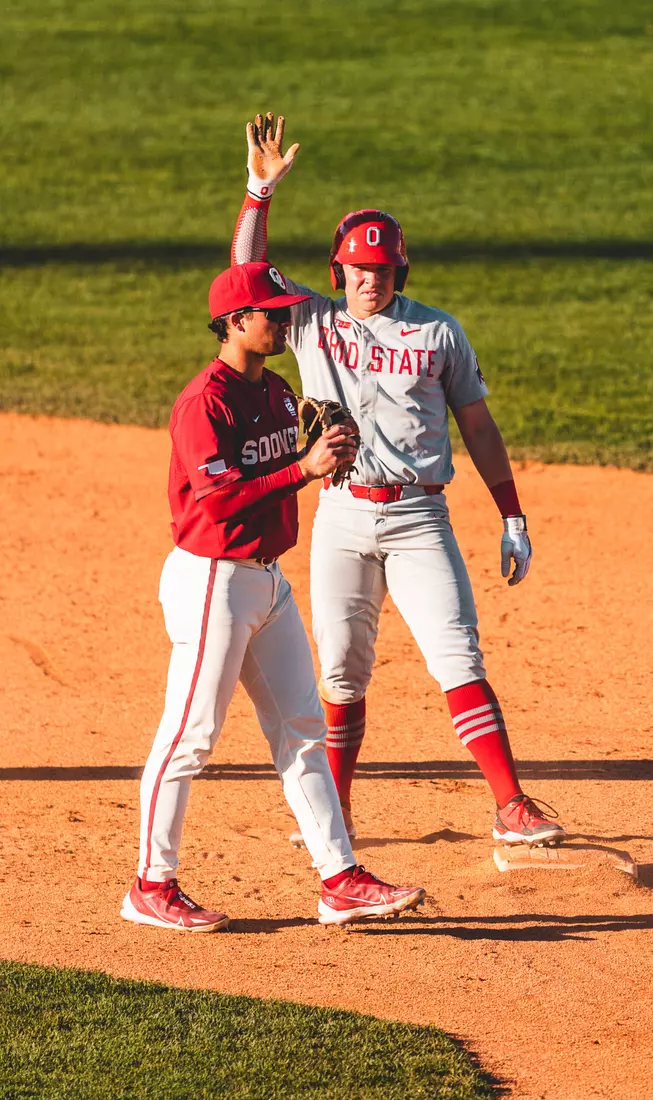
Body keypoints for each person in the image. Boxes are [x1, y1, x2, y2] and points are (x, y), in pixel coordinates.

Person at [230, 114, 566, 851]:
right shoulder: (312, 324)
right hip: (341, 518)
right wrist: (259, 191)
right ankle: (337, 816)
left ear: (398, 272)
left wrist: (511, 515)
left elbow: (477, 427)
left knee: (457, 656)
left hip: (419, 517)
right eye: (356, 270)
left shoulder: (439, 332)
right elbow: (246, 275)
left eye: (380, 272)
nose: (368, 282)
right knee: (343, 674)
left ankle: (509, 804)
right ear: (336, 272)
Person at [120, 261, 426, 932]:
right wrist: (301, 468)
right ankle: (150, 884)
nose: (285, 319)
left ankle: (339, 879)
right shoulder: (205, 401)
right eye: (271, 312)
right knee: (190, 737)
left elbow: (278, 471)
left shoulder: (280, 392)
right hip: (213, 581)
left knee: (302, 732)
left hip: (266, 582)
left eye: (285, 308)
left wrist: (325, 456)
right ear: (236, 323)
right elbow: (221, 496)